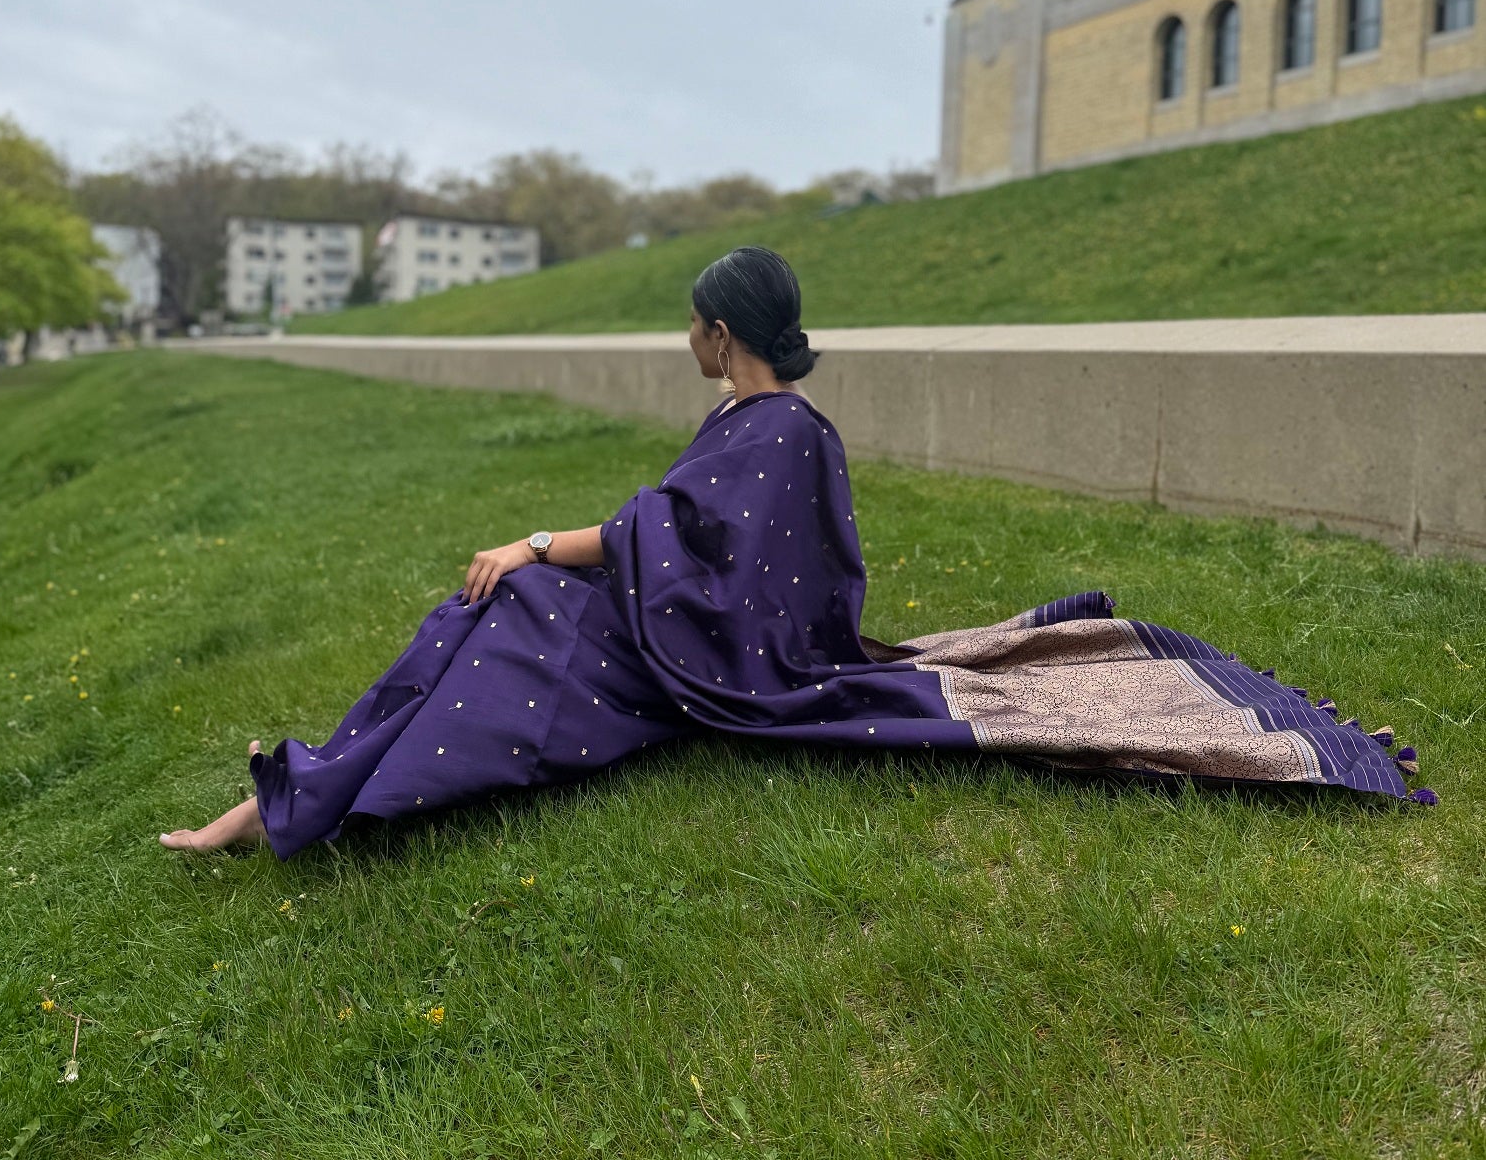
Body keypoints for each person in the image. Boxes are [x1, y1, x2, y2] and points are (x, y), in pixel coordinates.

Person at [159, 246, 1428, 856]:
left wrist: (542, 539)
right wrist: (551, 556)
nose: (688, 343)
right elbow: (688, 540)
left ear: (720, 332)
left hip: (714, 659)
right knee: (483, 613)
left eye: (692, 329)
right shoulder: (762, 422)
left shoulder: (774, 430)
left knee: (512, 614)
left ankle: (306, 800)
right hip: (682, 625)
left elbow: (691, 543)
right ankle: (296, 787)